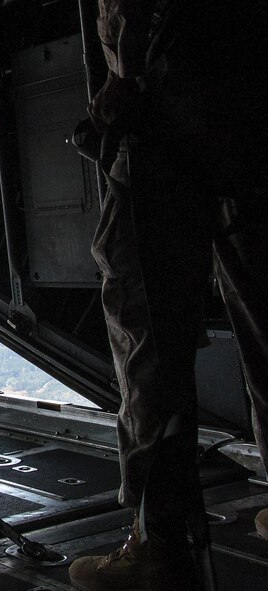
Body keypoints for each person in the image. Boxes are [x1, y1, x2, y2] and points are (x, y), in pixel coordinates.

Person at [68, 3, 268, 590]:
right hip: (248, 101)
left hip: (166, 116)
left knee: (146, 332)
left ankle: (159, 540)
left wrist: (122, 80)